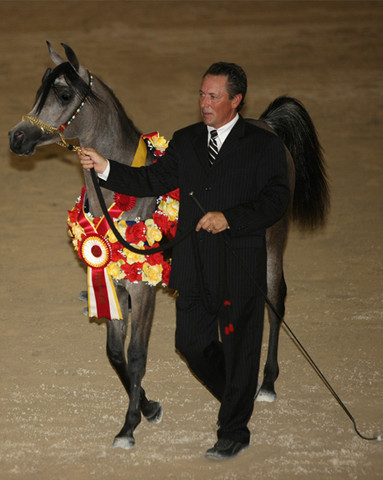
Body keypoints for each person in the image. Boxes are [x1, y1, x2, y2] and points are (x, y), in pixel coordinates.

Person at [78, 62, 290, 459]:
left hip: (238, 263)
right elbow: (150, 180)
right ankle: (237, 393)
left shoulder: (264, 146)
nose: (204, 103)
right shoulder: (187, 139)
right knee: (190, 344)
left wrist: (230, 218)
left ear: (236, 100)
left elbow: (277, 200)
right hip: (193, 264)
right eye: (202, 94)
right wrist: (105, 167)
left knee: (240, 346)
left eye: (214, 96)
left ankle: (234, 431)